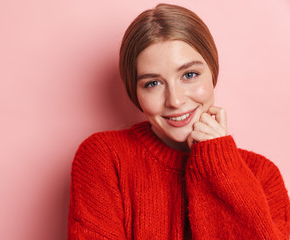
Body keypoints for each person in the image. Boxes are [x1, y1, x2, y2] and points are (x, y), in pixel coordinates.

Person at [67, 3, 290, 239]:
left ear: (212, 72)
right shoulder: (105, 157)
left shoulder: (262, 175)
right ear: (136, 92)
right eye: (153, 83)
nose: (174, 100)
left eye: (189, 75)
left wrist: (219, 166)